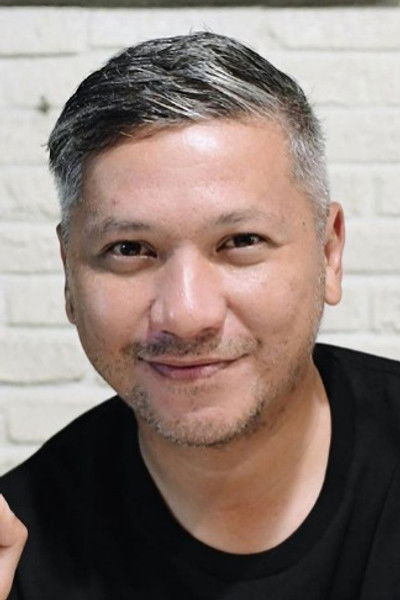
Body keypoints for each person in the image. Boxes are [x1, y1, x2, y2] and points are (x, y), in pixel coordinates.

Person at [1, 31, 400, 599]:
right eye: (130, 249)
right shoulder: (21, 551)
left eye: (241, 241)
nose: (187, 315)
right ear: (69, 274)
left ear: (329, 253)